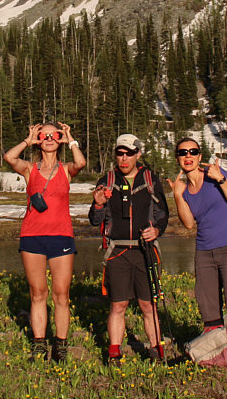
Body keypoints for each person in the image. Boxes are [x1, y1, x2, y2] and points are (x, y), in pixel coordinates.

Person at [3, 121, 86, 362]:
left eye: (54, 135)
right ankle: (39, 345)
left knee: (61, 294)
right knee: (38, 293)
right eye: (44, 135)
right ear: (39, 140)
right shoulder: (29, 169)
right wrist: (28, 140)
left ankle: (60, 345)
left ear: (59, 139)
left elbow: (81, 162)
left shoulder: (66, 169)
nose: (49, 138)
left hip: (61, 235)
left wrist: (70, 138)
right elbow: (9, 156)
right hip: (32, 236)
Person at [169, 137, 227, 342]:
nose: (188, 156)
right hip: (204, 250)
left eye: (193, 152)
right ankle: (219, 350)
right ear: (177, 158)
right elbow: (188, 224)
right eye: (183, 152)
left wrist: (220, 178)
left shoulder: (214, 176)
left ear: (199, 156)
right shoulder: (183, 190)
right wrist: (177, 196)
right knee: (208, 306)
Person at [88, 133, 169, 364]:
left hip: (146, 251)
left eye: (129, 154)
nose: (124, 159)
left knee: (148, 304)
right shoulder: (107, 180)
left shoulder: (151, 179)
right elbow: (95, 220)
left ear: (138, 154)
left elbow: (163, 215)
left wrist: (157, 231)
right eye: (120, 153)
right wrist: (98, 203)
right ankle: (114, 351)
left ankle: (156, 350)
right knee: (118, 304)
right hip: (117, 252)